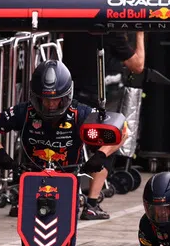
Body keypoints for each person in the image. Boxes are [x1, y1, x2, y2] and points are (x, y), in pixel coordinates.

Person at [0, 59, 115, 246]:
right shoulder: (25, 112)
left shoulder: (80, 112)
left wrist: (101, 154)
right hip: (32, 185)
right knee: (30, 242)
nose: (50, 105)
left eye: (56, 100)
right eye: (45, 99)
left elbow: (119, 129)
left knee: (64, 244)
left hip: (66, 186)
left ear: (66, 96)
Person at [60, 29, 145, 219]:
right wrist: (140, 33)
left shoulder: (75, 23)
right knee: (117, 135)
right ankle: (91, 202)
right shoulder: (110, 31)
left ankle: (67, 196)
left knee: (69, 143)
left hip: (70, 94)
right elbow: (138, 65)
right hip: (95, 99)